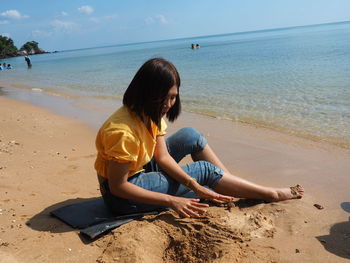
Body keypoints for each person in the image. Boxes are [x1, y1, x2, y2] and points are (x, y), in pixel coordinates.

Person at [94, 58, 304, 218]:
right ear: (145, 93)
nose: (168, 104)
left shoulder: (149, 114)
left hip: (139, 171)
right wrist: (173, 200)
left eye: (173, 97)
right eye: (163, 97)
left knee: (190, 135)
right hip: (122, 199)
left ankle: (226, 183)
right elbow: (118, 187)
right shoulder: (122, 132)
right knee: (203, 169)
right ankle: (270, 194)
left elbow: (163, 157)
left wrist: (194, 186)